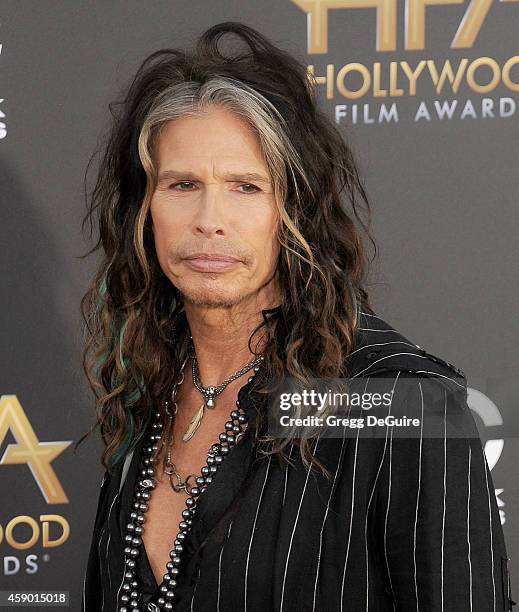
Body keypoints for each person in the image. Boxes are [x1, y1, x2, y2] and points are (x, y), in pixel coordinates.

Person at [78, 21, 514, 612]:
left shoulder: (405, 404)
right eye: (181, 184)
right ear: (144, 209)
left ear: (297, 210)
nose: (210, 218)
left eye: (246, 187)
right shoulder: (148, 390)